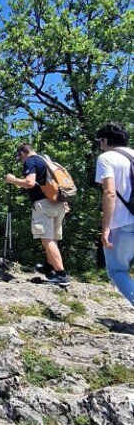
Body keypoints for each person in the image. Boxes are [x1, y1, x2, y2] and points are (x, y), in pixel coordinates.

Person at [6, 145, 70, 286]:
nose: (21, 161)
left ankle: (61, 275)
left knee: (46, 240)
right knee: (53, 239)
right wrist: (64, 202)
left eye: (19, 158)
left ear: (23, 153)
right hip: (59, 203)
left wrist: (13, 179)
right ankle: (49, 268)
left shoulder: (31, 160)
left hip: (43, 204)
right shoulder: (48, 159)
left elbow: (29, 182)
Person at [95, 122, 134, 307]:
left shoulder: (106, 158)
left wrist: (106, 228)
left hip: (123, 222)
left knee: (117, 270)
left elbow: (109, 192)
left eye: (99, 141)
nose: (99, 145)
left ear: (105, 140)